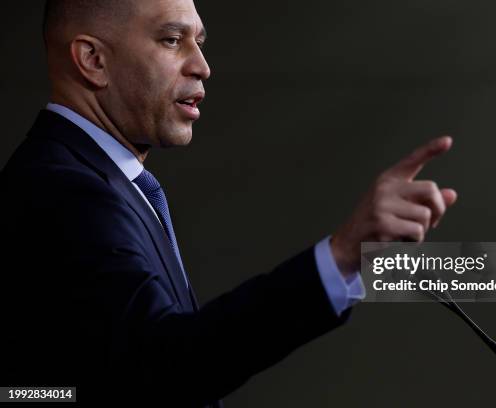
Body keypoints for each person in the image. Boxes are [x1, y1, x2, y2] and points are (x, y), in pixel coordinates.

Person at [0, 0, 457, 406]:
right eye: (172, 39)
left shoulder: (97, 179)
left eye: (198, 42)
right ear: (93, 60)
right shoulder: (62, 188)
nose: (202, 65)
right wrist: (339, 256)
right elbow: (164, 367)